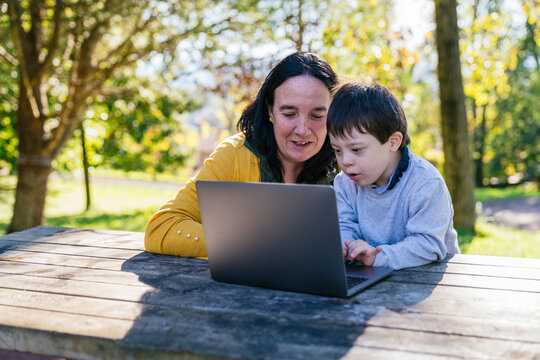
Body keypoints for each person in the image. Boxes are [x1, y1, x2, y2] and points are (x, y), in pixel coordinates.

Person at [145, 52, 338, 258]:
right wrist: (245, 243)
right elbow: (161, 227)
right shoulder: (234, 157)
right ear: (270, 111)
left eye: (317, 116)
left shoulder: (347, 161)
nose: (302, 129)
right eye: (289, 114)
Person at [327, 81, 460, 270]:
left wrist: (377, 257)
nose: (345, 161)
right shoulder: (345, 183)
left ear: (393, 142)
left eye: (356, 149)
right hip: (374, 278)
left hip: (432, 280)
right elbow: (345, 225)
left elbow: (428, 245)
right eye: (337, 150)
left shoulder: (425, 183)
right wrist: (346, 247)